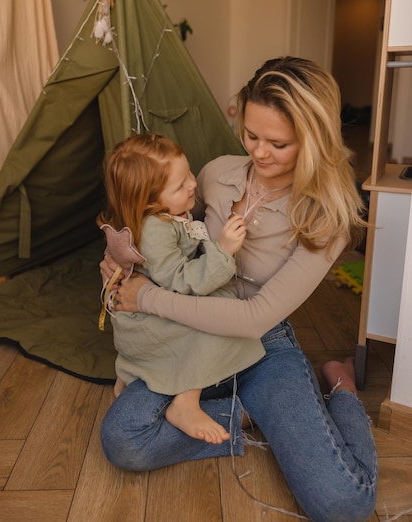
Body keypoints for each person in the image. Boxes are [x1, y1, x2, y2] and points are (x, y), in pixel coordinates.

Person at [99, 57, 377, 522]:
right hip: (186, 334)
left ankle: (340, 385)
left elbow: (254, 319)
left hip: (263, 343)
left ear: (314, 139)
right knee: (123, 439)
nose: (260, 153)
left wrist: (146, 297)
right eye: (251, 135)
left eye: (278, 143)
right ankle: (250, 413)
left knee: (343, 503)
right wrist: (121, 262)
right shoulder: (214, 173)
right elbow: (164, 227)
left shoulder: (324, 217)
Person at [99, 133, 265, 444]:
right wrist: (224, 250)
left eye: (189, 173)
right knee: (212, 329)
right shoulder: (155, 231)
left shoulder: (166, 215)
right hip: (148, 321)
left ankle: (126, 380)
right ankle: (186, 403)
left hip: (145, 313)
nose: (192, 184)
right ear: (149, 200)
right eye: (180, 185)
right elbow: (183, 283)